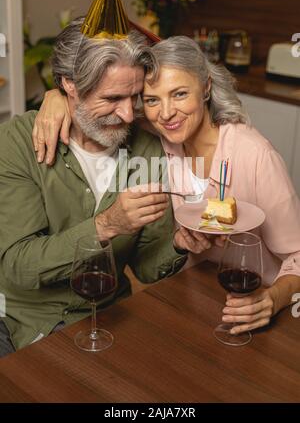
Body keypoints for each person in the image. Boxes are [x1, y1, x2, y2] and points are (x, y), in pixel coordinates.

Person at [35, 36, 300, 337]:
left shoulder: (255, 155)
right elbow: (98, 103)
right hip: (188, 300)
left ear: (206, 87)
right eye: (151, 100)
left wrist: (272, 299)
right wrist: (55, 97)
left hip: (252, 305)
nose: (166, 113)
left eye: (179, 94)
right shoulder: (157, 138)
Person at [0, 20, 197, 357]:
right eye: (112, 98)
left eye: (135, 97)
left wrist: (179, 243)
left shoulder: (146, 150)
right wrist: (107, 225)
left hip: (107, 317)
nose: (126, 114)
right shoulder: (18, 143)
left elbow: (147, 268)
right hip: (24, 320)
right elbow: (18, 267)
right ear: (69, 84)